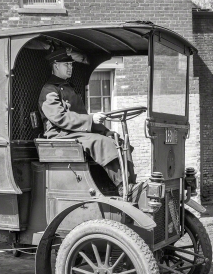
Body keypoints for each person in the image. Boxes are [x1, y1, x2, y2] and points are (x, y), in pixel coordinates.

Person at [38, 48, 142, 196]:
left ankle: (131, 183)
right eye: (66, 64)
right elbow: (60, 118)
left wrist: (106, 131)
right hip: (60, 135)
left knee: (116, 139)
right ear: (55, 66)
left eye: (71, 65)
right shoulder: (49, 90)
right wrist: (91, 119)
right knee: (101, 142)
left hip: (74, 133)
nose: (70, 68)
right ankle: (123, 187)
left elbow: (81, 116)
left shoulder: (68, 87)